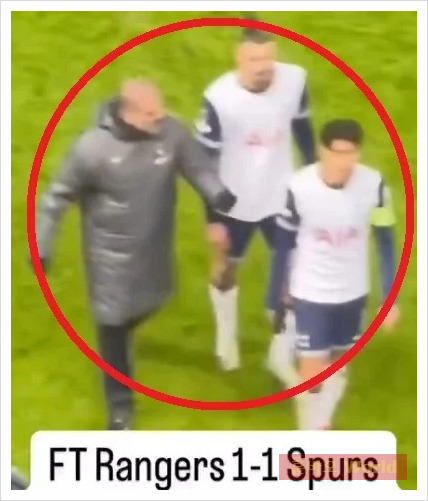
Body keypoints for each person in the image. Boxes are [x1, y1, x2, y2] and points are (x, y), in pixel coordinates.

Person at [35, 79, 237, 430]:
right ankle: (120, 409)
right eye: (150, 113)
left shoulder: (169, 133)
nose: (161, 116)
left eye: (160, 108)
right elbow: (57, 197)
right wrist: (42, 245)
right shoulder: (92, 149)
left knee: (145, 307)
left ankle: (125, 338)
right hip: (109, 258)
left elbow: (197, 166)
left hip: (152, 249)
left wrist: (217, 195)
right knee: (112, 327)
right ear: (129, 114)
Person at [195, 24, 315, 374]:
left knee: (295, 273)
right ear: (239, 58)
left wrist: (314, 178)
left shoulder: (294, 80)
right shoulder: (219, 99)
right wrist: (213, 219)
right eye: (255, 60)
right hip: (235, 203)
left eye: (268, 59)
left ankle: (281, 349)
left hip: (281, 198)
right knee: (225, 270)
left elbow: (303, 129)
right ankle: (226, 337)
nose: (263, 68)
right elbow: (204, 163)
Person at [269, 119, 400, 430]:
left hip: (352, 293)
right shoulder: (298, 187)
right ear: (322, 151)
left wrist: (389, 298)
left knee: (338, 366)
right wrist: (275, 295)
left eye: (351, 153)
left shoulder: (375, 187)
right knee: (312, 378)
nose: (344, 161)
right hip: (310, 291)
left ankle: (320, 423)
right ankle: (311, 437)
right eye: (338, 153)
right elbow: (283, 244)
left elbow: (385, 242)